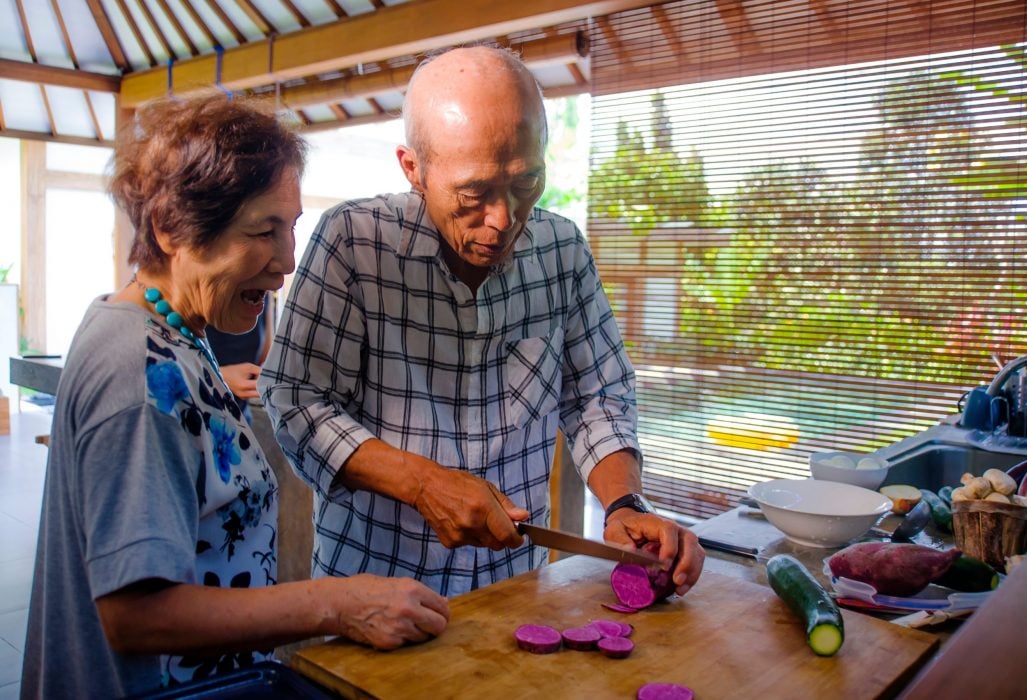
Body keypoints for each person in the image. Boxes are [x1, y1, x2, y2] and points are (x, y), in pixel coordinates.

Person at [21, 93, 449, 699]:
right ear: (172, 227)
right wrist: (333, 603)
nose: (287, 261)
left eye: (292, 226)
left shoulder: (175, 336)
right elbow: (135, 614)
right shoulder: (139, 371)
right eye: (262, 230)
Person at [259, 45, 705, 598]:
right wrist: (423, 484)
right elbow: (296, 400)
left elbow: (598, 394)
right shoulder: (353, 244)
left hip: (513, 588)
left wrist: (622, 503)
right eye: (474, 193)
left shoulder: (561, 251)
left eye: (525, 184)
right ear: (414, 169)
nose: (504, 219)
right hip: (370, 593)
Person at [206, 291, 273, 421]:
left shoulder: (263, 293)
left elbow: (265, 353)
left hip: (239, 416)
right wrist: (219, 376)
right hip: (204, 412)